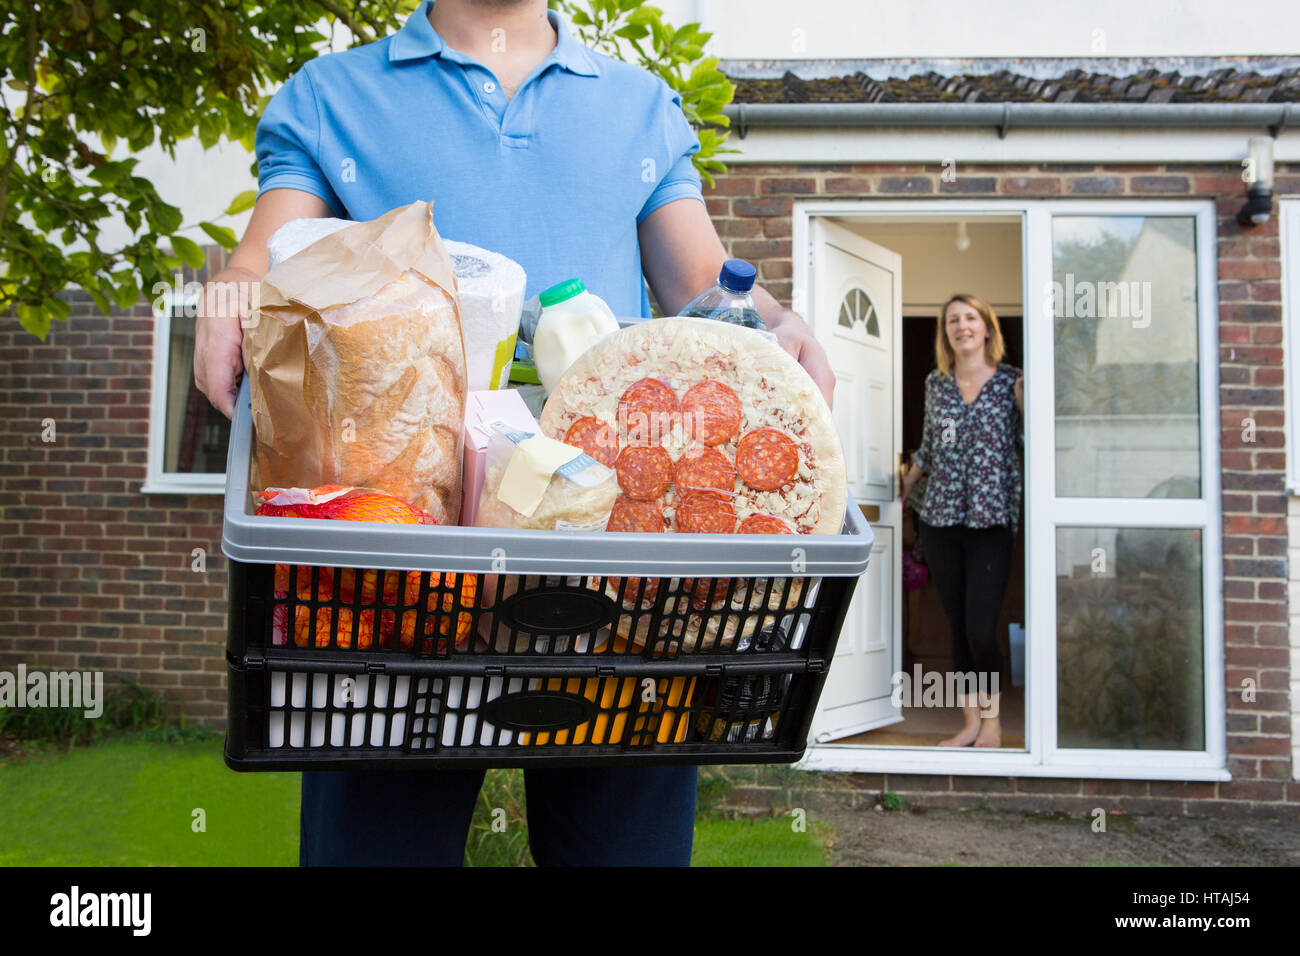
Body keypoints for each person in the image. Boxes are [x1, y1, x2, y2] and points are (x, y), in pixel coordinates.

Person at [193, 0, 835, 867]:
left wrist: (779, 325)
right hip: (400, 571)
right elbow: (270, 255)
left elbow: (708, 291)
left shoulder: (637, 105)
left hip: (617, 579)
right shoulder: (333, 97)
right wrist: (233, 285)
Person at [901, 293, 1022, 749]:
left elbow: (1029, 441)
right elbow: (929, 449)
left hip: (991, 520)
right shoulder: (937, 383)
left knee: (980, 628)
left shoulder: (1012, 382)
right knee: (957, 629)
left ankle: (992, 724)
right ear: (946, 332)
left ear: (987, 328)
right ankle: (970, 723)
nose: (961, 326)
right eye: (953, 320)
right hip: (941, 518)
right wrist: (904, 488)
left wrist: (1027, 403)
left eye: (970, 318)